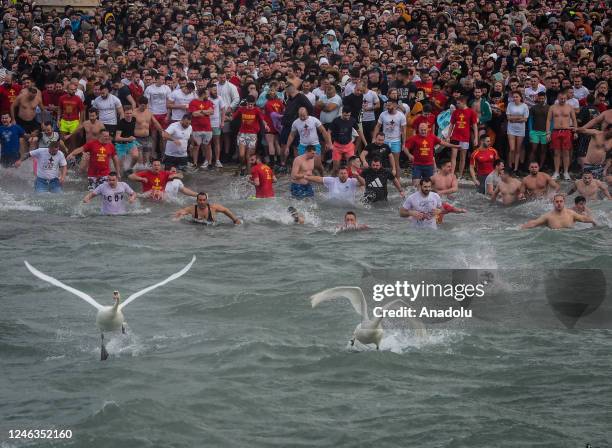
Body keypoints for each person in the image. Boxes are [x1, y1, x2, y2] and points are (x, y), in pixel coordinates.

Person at [286, 107, 332, 174]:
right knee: (304, 164)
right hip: (303, 145)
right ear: (298, 114)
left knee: (317, 164)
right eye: (300, 116)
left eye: (304, 115)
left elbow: (323, 131)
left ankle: (322, 176)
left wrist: (328, 142)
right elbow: (291, 135)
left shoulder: (314, 120)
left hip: (314, 144)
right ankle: (308, 178)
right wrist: (287, 146)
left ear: (307, 113)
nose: (302, 118)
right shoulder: (295, 123)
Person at [233, 95, 269, 175]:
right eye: (248, 104)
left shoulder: (257, 110)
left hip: (252, 135)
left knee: (248, 156)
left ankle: (249, 174)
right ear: (246, 103)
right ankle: (243, 166)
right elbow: (233, 116)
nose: (250, 106)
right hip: (242, 134)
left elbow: (262, 120)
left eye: (251, 104)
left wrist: (266, 125)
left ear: (254, 103)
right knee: (242, 155)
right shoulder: (241, 109)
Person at [546, 91, 577, 180]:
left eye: (564, 98)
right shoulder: (552, 107)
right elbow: (548, 120)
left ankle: (566, 172)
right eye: (561, 98)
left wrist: (575, 131)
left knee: (566, 152)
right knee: (556, 153)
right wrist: (548, 132)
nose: (563, 100)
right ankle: (556, 171)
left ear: (566, 98)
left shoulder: (570, 107)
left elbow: (574, 120)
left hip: (567, 131)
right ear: (557, 98)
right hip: (556, 131)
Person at [372, 99, 406, 180]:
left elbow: (403, 130)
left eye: (389, 105)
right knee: (380, 161)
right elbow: (378, 126)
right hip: (384, 141)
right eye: (386, 105)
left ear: (395, 105)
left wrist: (403, 143)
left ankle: (397, 180)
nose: (387, 107)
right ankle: (380, 179)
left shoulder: (401, 115)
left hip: (396, 141)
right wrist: (374, 138)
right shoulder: (383, 114)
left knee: (395, 162)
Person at [521, 194, 596, 229]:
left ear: (564, 202)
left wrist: (594, 222)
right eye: (557, 202)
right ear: (553, 203)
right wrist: (519, 228)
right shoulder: (548, 216)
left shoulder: (571, 214)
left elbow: (584, 219)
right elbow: (534, 223)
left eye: (561, 201)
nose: (559, 203)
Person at [448, 95, 478, 178]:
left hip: (465, 137)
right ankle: (451, 174)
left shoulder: (471, 112)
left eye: (458, 103)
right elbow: (451, 125)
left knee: (462, 157)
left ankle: (460, 174)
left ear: (463, 102)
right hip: (455, 136)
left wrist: (476, 138)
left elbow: (475, 125)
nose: (457, 105)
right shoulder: (455, 112)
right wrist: (448, 136)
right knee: (453, 156)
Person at [328, 108, 366, 174]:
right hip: (337, 146)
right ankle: (332, 180)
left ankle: (349, 180)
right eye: (345, 115)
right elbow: (328, 132)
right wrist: (330, 144)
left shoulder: (352, 120)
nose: (347, 117)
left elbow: (359, 132)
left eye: (348, 115)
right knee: (336, 168)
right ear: (342, 113)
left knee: (351, 166)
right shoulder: (336, 121)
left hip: (348, 146)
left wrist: (363, 143)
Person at [174, 192, 241, 225]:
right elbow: (181, 212)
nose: (202, 202)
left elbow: (225, 210)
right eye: (200, 200)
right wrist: (178, 217)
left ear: (206, 200)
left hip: (212, 228)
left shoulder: (213, 208)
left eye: (204, 200)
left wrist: (235, 220)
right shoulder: (192, 209)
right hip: (196, 228)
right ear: (196, 201)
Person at [187, 88, 214, 169]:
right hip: (196, 128)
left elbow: (211, 112)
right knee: (196, 146)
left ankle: (209, 163)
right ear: (203, 94)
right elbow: (194, 114)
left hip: (207, 128)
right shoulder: (193, 102)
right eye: (207, 93)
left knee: (208, 146)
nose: (208, 95)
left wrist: (201, 111)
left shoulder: (209, 102)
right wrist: (205, 111)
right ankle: (195, 163)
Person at [133, 97, 163, 165]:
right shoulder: (133, 113)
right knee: (140, 159)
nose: (144, 107)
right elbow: (128, 125)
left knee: (147, 161)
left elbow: (155, 122)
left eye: (146, 105)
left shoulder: (149, 112)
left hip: (147, 138)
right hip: (137, 138)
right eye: (142, 105)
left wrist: (162, 132)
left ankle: (145, 174)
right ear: (138, 104)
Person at [506, 91, 529, 173]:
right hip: (511, 129)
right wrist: (519, 117)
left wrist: (514, 118)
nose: (515, 98)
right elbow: (508, 117)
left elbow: (525, 119)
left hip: (520, 130)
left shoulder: (524, 106)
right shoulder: (510, 105)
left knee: (518, 149)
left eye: (516, 97)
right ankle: (510, 165)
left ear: (520, 97)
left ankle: (516, 168)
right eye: (514, 97)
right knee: (512, 149)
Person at [114, 105, 139, 172]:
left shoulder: (134, 119)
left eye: (130, 113)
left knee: (136, 156)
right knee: (120, 166)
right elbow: (117, 138)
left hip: (131, 143)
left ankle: (129, 168)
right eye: (127, 113)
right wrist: (128, 139)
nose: (129, 115)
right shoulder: (121, 123)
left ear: (132, 113)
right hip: (121, 145)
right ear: (124, 113)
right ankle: (119, 175)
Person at [528, 92, 550, 168]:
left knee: (543, 150)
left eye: (542, 98)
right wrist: (530, 131)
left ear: (545, 98)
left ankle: (540, 167)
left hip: (545, 132)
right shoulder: (533, 108)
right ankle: (531, 166)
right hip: (535, 131)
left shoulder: (549, 108)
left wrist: (549, 132)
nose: (541, 100)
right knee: (534, 149)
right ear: (537, 98)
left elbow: (551, 121)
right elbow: (530, 120)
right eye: (540, 98)